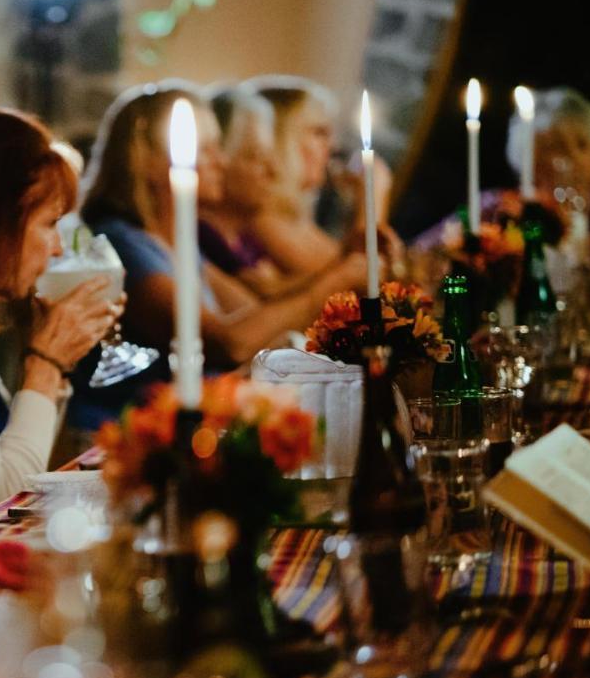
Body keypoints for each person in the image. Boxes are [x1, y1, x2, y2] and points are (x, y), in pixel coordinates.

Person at [65, 81, 368, 433]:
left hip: (188, 429)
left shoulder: (179, 243)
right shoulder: (124, 245)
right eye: (205, 150)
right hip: (124, 441)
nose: (221, 161)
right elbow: (230, 343)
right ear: (147, 161)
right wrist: (338, 279)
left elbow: (258, 318)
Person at [0, 109, 118, 498]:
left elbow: (26, 461)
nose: (56, 248)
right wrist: (45, 364)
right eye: (50, 223)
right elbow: (0, 496)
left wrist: (57, 364)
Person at [414, 86, 590, 249]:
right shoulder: (498, 209)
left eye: (582, 144)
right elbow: (423, 252)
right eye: (555, 146)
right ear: (527, 157)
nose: (571, 157)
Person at [243, 74, 396, 278]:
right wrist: (373, 192)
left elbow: (340, 262)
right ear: (281, 140)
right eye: (319, 132)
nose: (332, 146)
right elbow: (359, 282)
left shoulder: (291, 215)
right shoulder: (263, 218)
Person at [199, 86, 325, 299]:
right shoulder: (204, 237)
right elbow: (256, 314)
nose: (274, 172)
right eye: (255, 156)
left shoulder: (244, 238)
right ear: (220, 161)